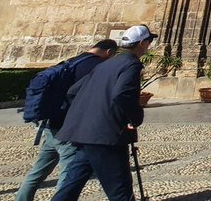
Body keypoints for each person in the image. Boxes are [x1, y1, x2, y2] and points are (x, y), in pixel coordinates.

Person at [53, 24, 154, 201]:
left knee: (70, 187)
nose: (150, 45)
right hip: (106, 136)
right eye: (149, 41)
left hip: (85, 134)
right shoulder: (131, 64)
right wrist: (135, 117)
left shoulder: (105, 64)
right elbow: (122, 94)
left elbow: (73, 92)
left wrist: (86, 116)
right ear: (142, 43)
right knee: (120, 191)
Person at [15, 39, 118, 201]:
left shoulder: (71, 61)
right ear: (109, 52)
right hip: (68, 126)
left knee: (38, 171)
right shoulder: (96, 67)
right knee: (70, 172)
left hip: (50, 123)